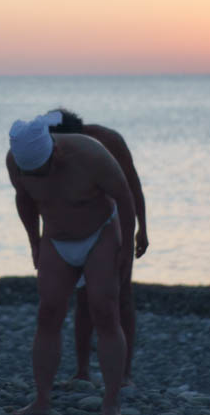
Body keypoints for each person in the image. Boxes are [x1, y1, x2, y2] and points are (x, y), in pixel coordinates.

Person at [6, 111, 135, 415]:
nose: (39, 177)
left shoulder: (91, 154)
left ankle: (111, 404)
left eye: (43, 170)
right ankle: (41, 399)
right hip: (55, 237)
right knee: (47, 313)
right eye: (31, 172)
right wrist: (34, 242)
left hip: (100, 233)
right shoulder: (16, 161)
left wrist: (128, 249)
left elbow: (125, 196)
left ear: (56, 151)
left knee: (105, 310)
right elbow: (24, 199)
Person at [50, 111, 149, 385]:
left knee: (122, 296)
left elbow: (132, 187)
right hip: (79, 223)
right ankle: (82, 370)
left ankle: (125, 374)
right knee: (83, 298)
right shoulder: (48, 147)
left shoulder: (108, 141)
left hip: (114, 222)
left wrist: (142, 228)